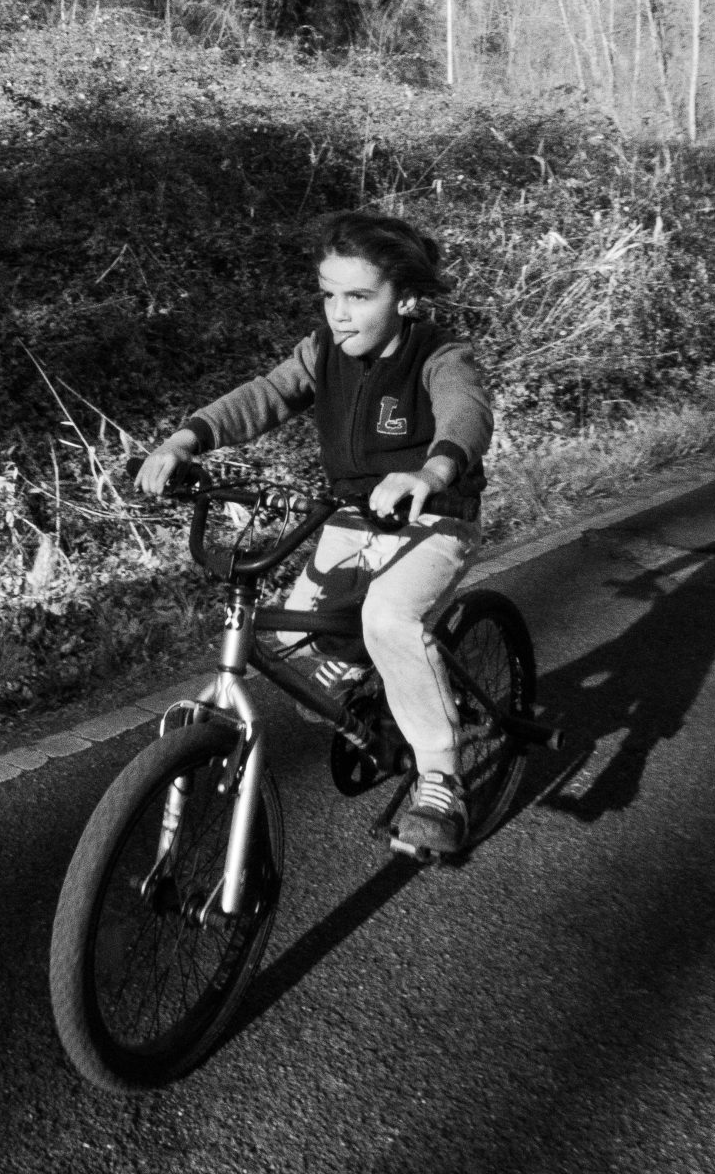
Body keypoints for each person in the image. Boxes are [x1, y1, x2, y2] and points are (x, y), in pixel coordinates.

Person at [137, 210, 493, 855]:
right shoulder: (321, 352)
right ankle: (364, 672)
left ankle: (441, 777)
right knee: (298, 635)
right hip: (351, 517)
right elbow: (265, 395)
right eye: (329, 295)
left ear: (405, 300)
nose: (339, 314)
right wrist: (186, 439)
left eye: (359, 297)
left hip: (434, 518)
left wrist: (431, 472)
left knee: (388, 619)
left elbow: (465, 414)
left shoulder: (440, 356)